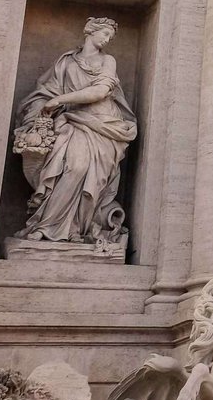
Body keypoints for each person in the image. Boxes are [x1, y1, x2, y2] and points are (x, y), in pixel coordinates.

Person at [14, 17, 137, 244]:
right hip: (72, 121)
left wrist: (61, 99)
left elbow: (100, 91)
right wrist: (45, 108)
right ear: (90, 31)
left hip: (104, 125)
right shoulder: (66, 62)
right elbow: (46, 92)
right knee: (72, 167)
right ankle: (48, 225)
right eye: (104, 34)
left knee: (92, 177)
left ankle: (78, 228)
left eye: (110, 36)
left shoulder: (108, 60)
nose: (107, 39)